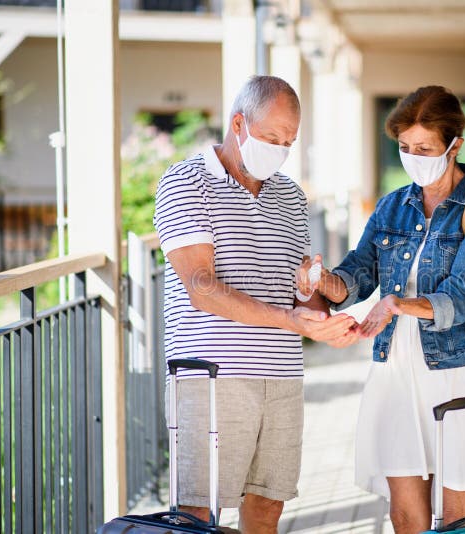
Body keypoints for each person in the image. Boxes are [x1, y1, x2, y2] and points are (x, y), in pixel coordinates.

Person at [297, 86, 465, 533]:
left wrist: (397, 304)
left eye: (425, 148)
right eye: (404, 147)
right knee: (404, 511)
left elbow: (463, 295)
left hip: (457, 367)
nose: (413, 157)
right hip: (395, 368)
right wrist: (323, 281)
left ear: (455, 144)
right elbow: (358, 274)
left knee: (460, 511)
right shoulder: (392, 205)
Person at [153, 75, 356, 534]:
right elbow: (201, 287)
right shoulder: (186, 181)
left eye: (288, 142)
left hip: (282, 375)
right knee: (198, 513)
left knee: (268, 506)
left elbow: (303, 295)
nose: (280, 149)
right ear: (238, 123)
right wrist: (292, 318)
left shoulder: (289, 195)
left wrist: (311, 293)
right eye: (271, 138)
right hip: (211, 375)